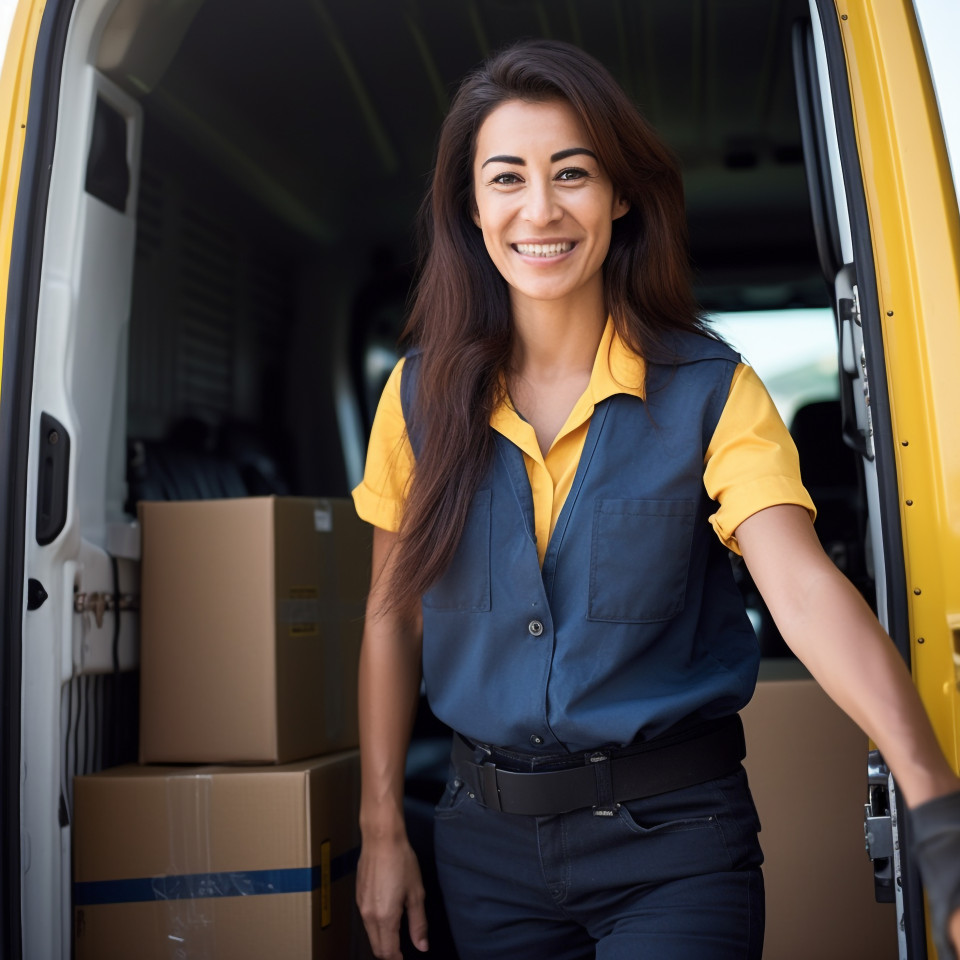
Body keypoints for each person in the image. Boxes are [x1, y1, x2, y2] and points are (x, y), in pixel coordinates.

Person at [351, 38, 960, 960]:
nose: (541, 209)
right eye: (507, 178)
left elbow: (798, 591)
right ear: (471, 208)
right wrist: (384, 830)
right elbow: (390, 621)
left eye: (573, 174)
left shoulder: (714, 393)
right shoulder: (415, 400)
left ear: (621, 195)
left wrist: (935, 805)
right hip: (485, 857)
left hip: (675, 850)